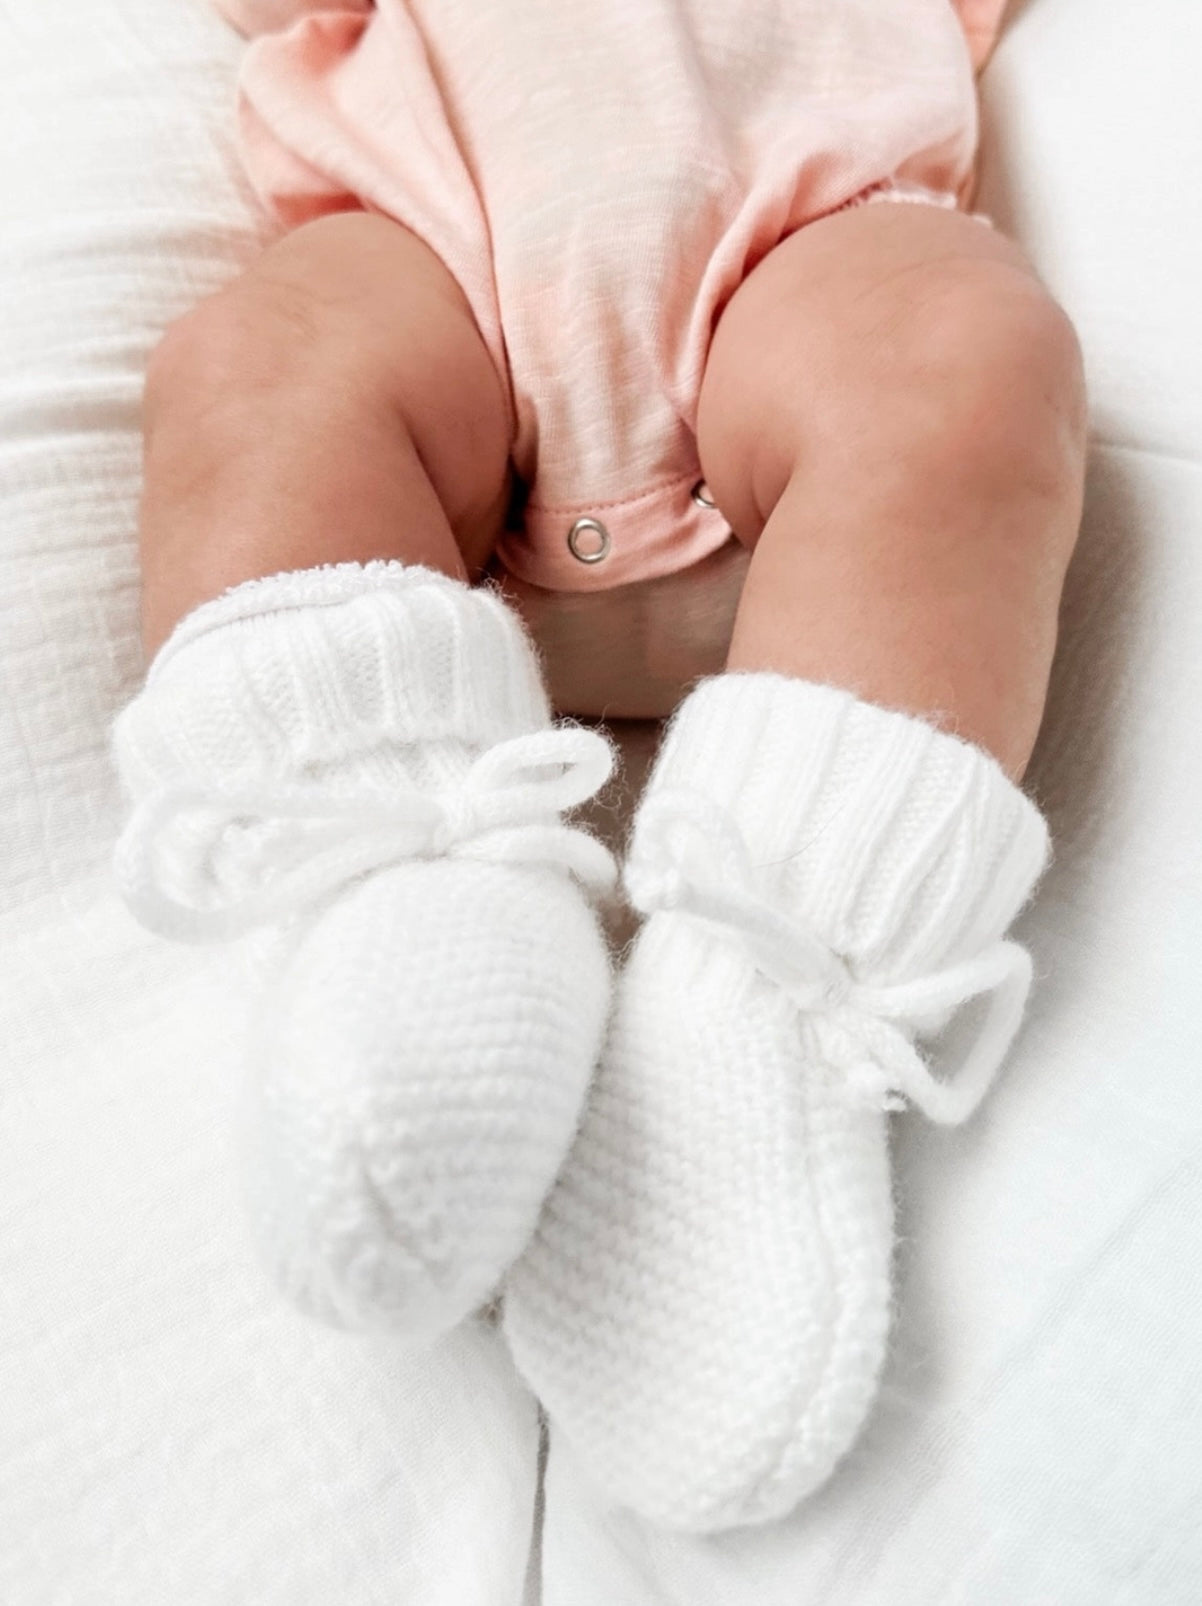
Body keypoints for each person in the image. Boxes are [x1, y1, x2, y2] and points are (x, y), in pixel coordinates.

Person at [111, 0, 1087, 1532]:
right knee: (254, 367)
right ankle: (406, 896)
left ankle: (757, 996)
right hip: (437, 279)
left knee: (964, 356)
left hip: (800, 264)